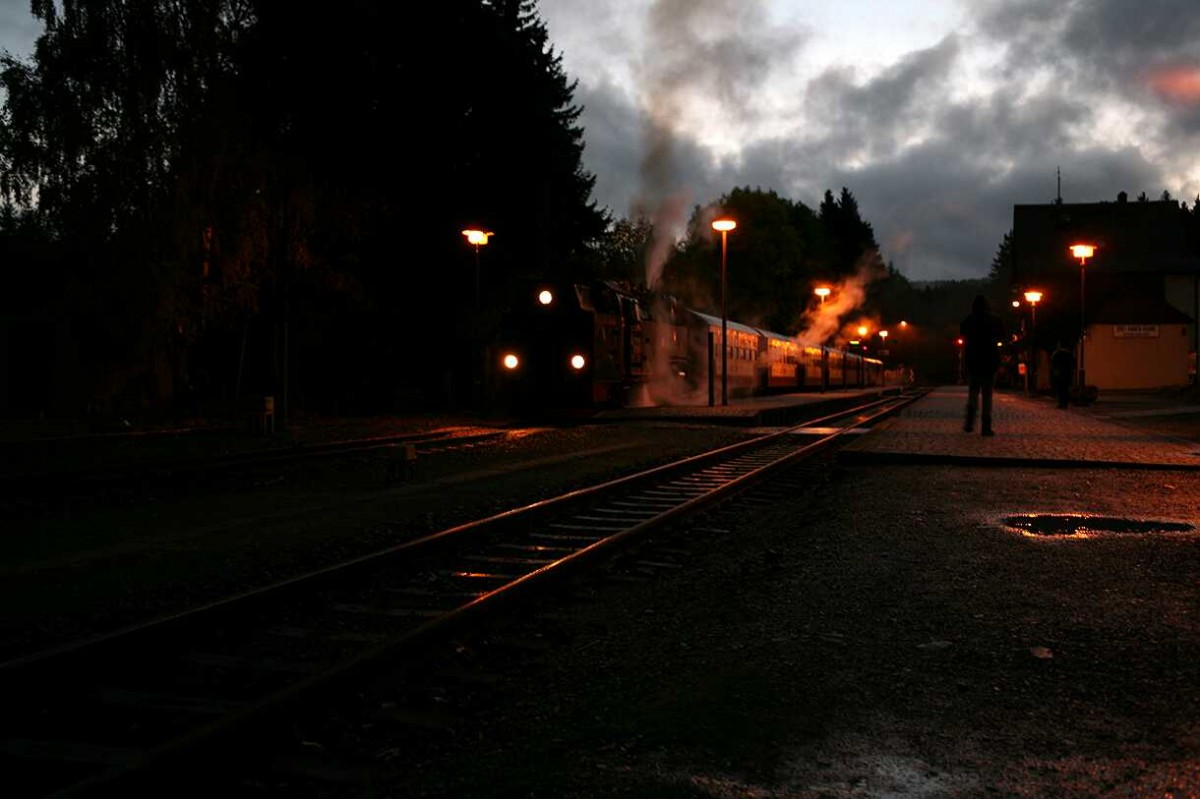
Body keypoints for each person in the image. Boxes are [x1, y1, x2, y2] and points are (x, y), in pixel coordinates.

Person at [960, 294, 1006, 436]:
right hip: (989, 362)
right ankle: (986, 427)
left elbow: (963, 334)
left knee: (973, 393)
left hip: (973, 362)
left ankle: (969, 421)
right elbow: (1001, 336)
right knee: (987, 395)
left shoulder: (968, 321)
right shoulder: (995, 321)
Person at [1050, 341, 1076, 409]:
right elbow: (1073, 363)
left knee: (1061, 389)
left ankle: (1062, 402)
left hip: (1060, 374)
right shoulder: (1069, 354)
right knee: (1065, 389)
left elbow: (1053, 363)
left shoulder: (1057, 354)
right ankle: (1065, 403)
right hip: (1067, 374)